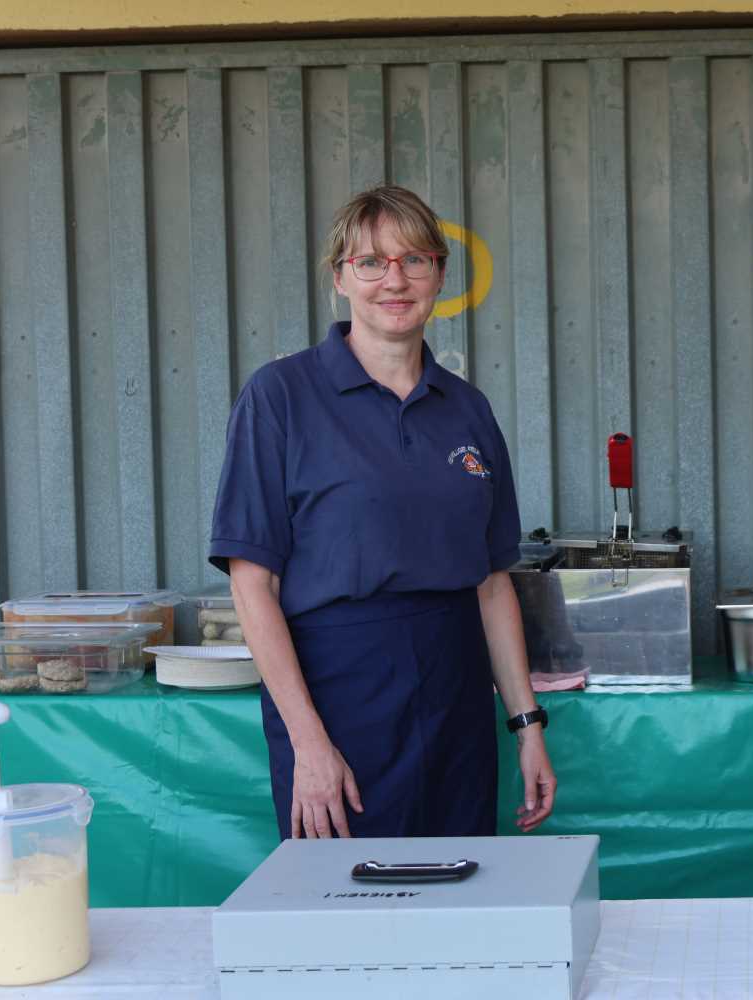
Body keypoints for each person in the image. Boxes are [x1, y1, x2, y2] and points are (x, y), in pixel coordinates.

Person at [209, 184, 555, 840]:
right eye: (370, 262)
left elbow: (489, 582)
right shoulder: (280, 397)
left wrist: (526, 726)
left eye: (414, 260)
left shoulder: (467, 408)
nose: (393, 280)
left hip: (456, 694)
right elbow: (253, 584)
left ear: (439, 276)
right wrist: (309, 745)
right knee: (350, 907)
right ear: (340, 278)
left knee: (459, 896)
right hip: (339, 697)